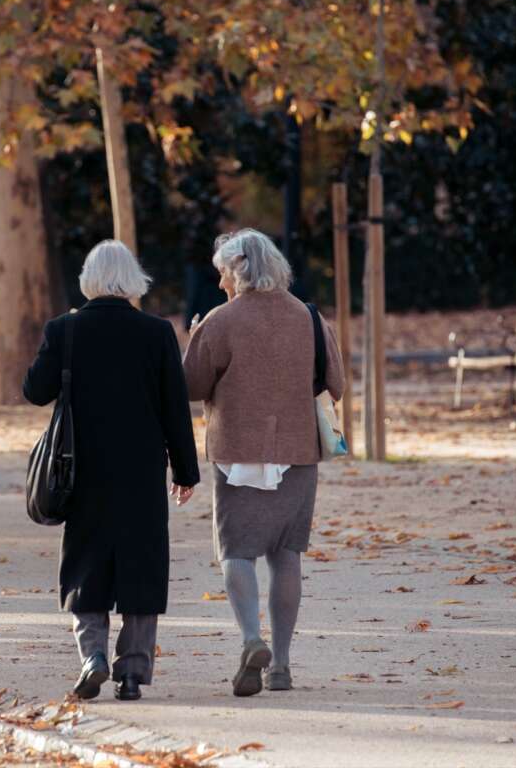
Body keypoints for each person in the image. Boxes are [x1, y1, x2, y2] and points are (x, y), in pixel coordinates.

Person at [23, 240, 199, 702]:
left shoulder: (65, 331)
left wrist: (53, 353)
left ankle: (93, 656)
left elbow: (34, 391)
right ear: (132, 279)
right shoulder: (157, 333)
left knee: (85, 563)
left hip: (82, 468)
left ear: (89, 279)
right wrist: (186, 471)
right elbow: (174, 410)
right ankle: (133, 673)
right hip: (141, 469)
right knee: (141, 567)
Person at [182, 228, 344, 696]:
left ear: (237, 271)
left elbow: (191, 387)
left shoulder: (220, 320)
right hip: (297, 452)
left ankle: (252, 639)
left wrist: (195, 337)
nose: (219, 285)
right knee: (286, 555)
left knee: (236, 552)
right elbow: (336, 384)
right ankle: (283, 665)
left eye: (221, 275)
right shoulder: (308, 318)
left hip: (237, 452)